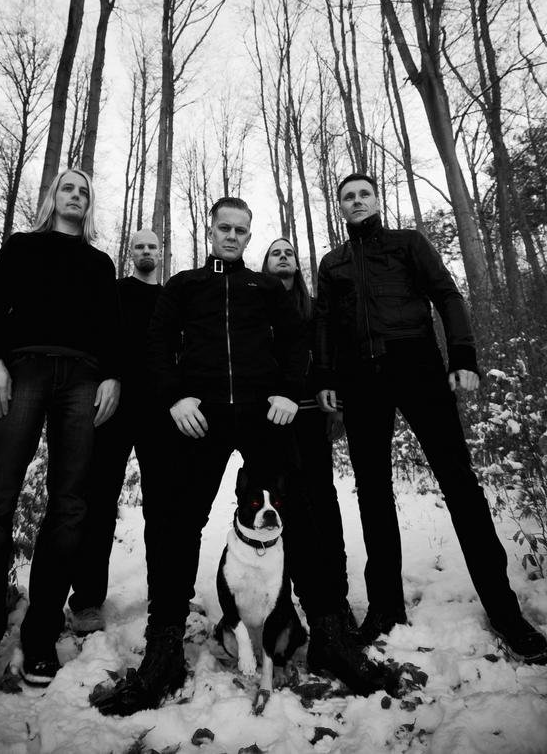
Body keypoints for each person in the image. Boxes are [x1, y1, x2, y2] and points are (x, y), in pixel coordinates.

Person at [91, 196, 390, 718]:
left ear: (249, 236)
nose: (231, 236)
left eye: (240, 230)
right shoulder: (186, 285)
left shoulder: (264, 287)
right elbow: (156, 344)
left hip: (261, 415)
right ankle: (164, 648)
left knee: (301, 516)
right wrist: (176, 397)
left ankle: (328, 633)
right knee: (176, 523)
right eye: (224, 228)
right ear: (211, 231)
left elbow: (296, 341)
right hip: (201, 417)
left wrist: (286, 391)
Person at [314, 172, 547, 663]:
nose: (356, 201)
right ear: (340, 207)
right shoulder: (333, 262)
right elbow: (327, 325)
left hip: (417, 365)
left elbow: (447, 295)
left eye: (363, 194)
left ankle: (505, 611)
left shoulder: (408, 244)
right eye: (348, 197)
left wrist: (463, 356)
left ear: (376, 200)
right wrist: (327, 376)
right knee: (373, 492)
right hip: (361, 380)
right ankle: (384, 608)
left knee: (459, 483)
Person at [0, 169, 122, 694]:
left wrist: (112, 375)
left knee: (69, 505)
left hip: (83, 378)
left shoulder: (100, 262)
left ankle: (42, 632)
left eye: (84, 191)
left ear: (89, 205)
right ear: (53, 197)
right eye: (68, 188)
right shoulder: (22, 247)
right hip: (22, 368)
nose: (76, 195)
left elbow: (110, 326)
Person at [68, 228, 164, 635]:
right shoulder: (116, 291)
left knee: (164, 506)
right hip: (115, 405)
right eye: (139, 246)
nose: (146, 251)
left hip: (159, 410)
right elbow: (98, 337)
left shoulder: (170, 298)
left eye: (152, 246)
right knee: (100, 501)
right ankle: (87, 600)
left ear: (161, 252)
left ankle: (167, 593)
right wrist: (109, 377)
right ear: (131, 253)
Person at [261, 237, 351, 618]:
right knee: (284, 504)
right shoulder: (255, 306)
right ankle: (286, 597)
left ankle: (336, 595)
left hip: (312, 415)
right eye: (275, 253)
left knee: (322, 500)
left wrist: (337, 409)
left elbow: (332, 358)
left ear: (297, 265)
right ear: (266, 264)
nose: (283, 257)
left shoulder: (313, 309)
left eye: (289, 253)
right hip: (270, 420)